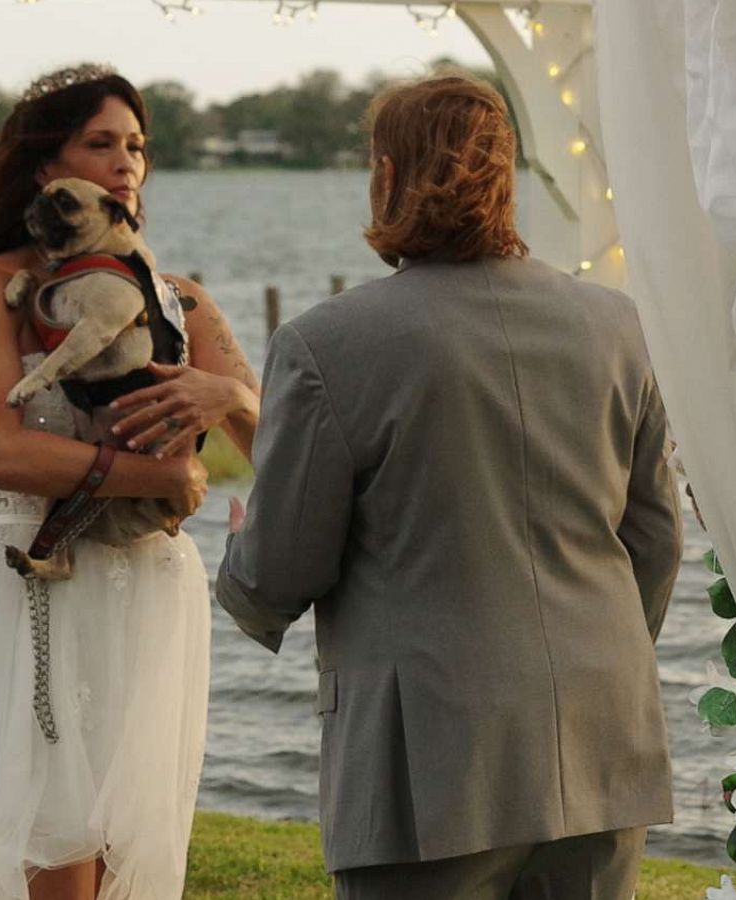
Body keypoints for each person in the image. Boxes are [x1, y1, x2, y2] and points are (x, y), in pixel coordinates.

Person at [216, 72, 683, 900]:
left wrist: (238, 544)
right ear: (503, 177)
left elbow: (281, 569)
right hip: (602, 733)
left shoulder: (326, 344)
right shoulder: (617, 326)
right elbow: (653, 542)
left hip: (427, 762)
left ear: (387, 175)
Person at [0, 63, 260, 900]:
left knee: (119, 837)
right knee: (43, 836)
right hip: (29, 587)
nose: (125, 163)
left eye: (136, 146)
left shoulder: (181, 303)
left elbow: (284, 448)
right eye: (100, 144)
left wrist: (232, 394)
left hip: (148, 589)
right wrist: (159, 474)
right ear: (46, 169)